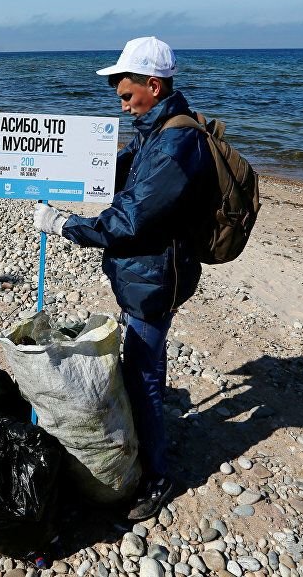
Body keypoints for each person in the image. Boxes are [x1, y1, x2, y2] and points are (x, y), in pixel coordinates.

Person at [32, 36, 214, 521]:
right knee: (139, 368)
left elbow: (131, 219)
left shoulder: (178, 141)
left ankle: (155, 478)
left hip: (156, 280)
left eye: (127, 96)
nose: (124, 106)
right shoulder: (154, 130)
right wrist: (62, 171)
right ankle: (142, 452)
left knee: (144, 375)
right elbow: (120, 175)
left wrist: (65, 225)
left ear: (153, 85)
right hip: (143, 274)